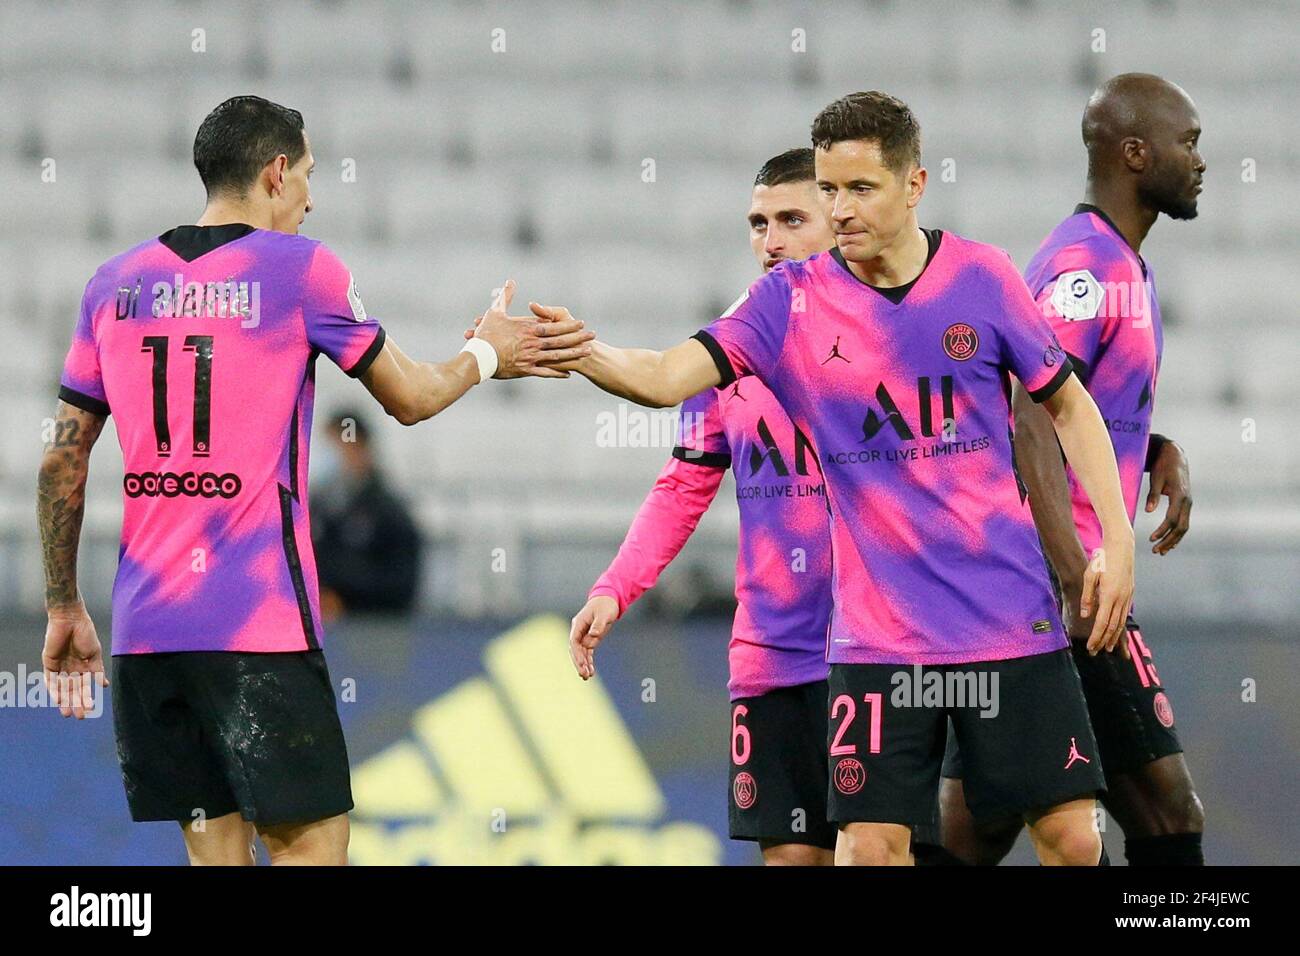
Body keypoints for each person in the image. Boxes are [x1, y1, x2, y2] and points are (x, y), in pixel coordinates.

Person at [540, 91, 1134, 865]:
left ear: (914, 185)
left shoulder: (982, 278)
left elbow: (1070, 409)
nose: (840, 208)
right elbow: (662, 378)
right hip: (878, 637)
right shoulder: (786, 304)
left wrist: (1115, 540)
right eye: (827, 189)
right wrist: (581, 349)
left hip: (1006, 616)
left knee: (1071, 835)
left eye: (859, 189)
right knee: (867, 847)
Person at [36, 95, 592, 865]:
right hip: (255, 626)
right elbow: (412, 398)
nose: (310, 195)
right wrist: (489, 353)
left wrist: (64, 601)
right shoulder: (301, 270)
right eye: (306, 174)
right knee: (312, 850)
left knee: (214, 858)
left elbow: (62, 459)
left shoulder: (114, 283)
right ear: (274, 172)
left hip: (148, 628)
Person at [939, 73, 1207, 866]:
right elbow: (1026, 406)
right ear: (1135, 153)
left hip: (1032, 583)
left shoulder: (1116, 261)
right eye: (1187, 143)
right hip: (1059, 585)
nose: (1200, 161)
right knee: (1168, 817)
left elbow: (1076, 403)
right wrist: (1070, 575)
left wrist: (1155, 448)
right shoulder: (1088, 269)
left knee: (976, 824)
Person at [569, 148, 839, 865]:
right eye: (758, 223)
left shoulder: (892, 331)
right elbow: (683, 483)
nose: (770, 241)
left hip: (877, 646)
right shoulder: (729, 347)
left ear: (841, 220)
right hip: (774, 650)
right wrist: (614, 588)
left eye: (791, 219)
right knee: (790, 857)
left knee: (875, 852)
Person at [312, 408, 421, 618]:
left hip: (374, 632)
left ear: (357, 447)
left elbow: (401, 583)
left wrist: (342, 596)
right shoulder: (321, 507)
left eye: (333, 446)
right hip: (327, 632)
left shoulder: (389, 511)